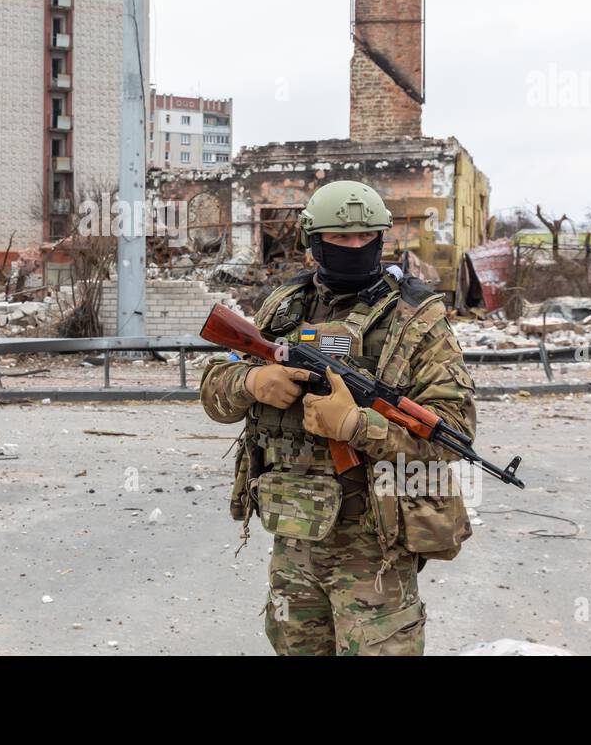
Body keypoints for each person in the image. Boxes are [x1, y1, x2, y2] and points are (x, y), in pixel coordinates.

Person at [199, 179, 476, 655]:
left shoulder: (416, 318)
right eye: (339, 238)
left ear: (381, 238)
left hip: (376, 543)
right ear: (314, 242)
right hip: (294, 529)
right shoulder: (283, 307)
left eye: (364, 237)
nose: (353, 247)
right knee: (294, 646)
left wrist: (356, 426)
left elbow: (452, 434)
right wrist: (251, 383)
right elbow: (212, 393)